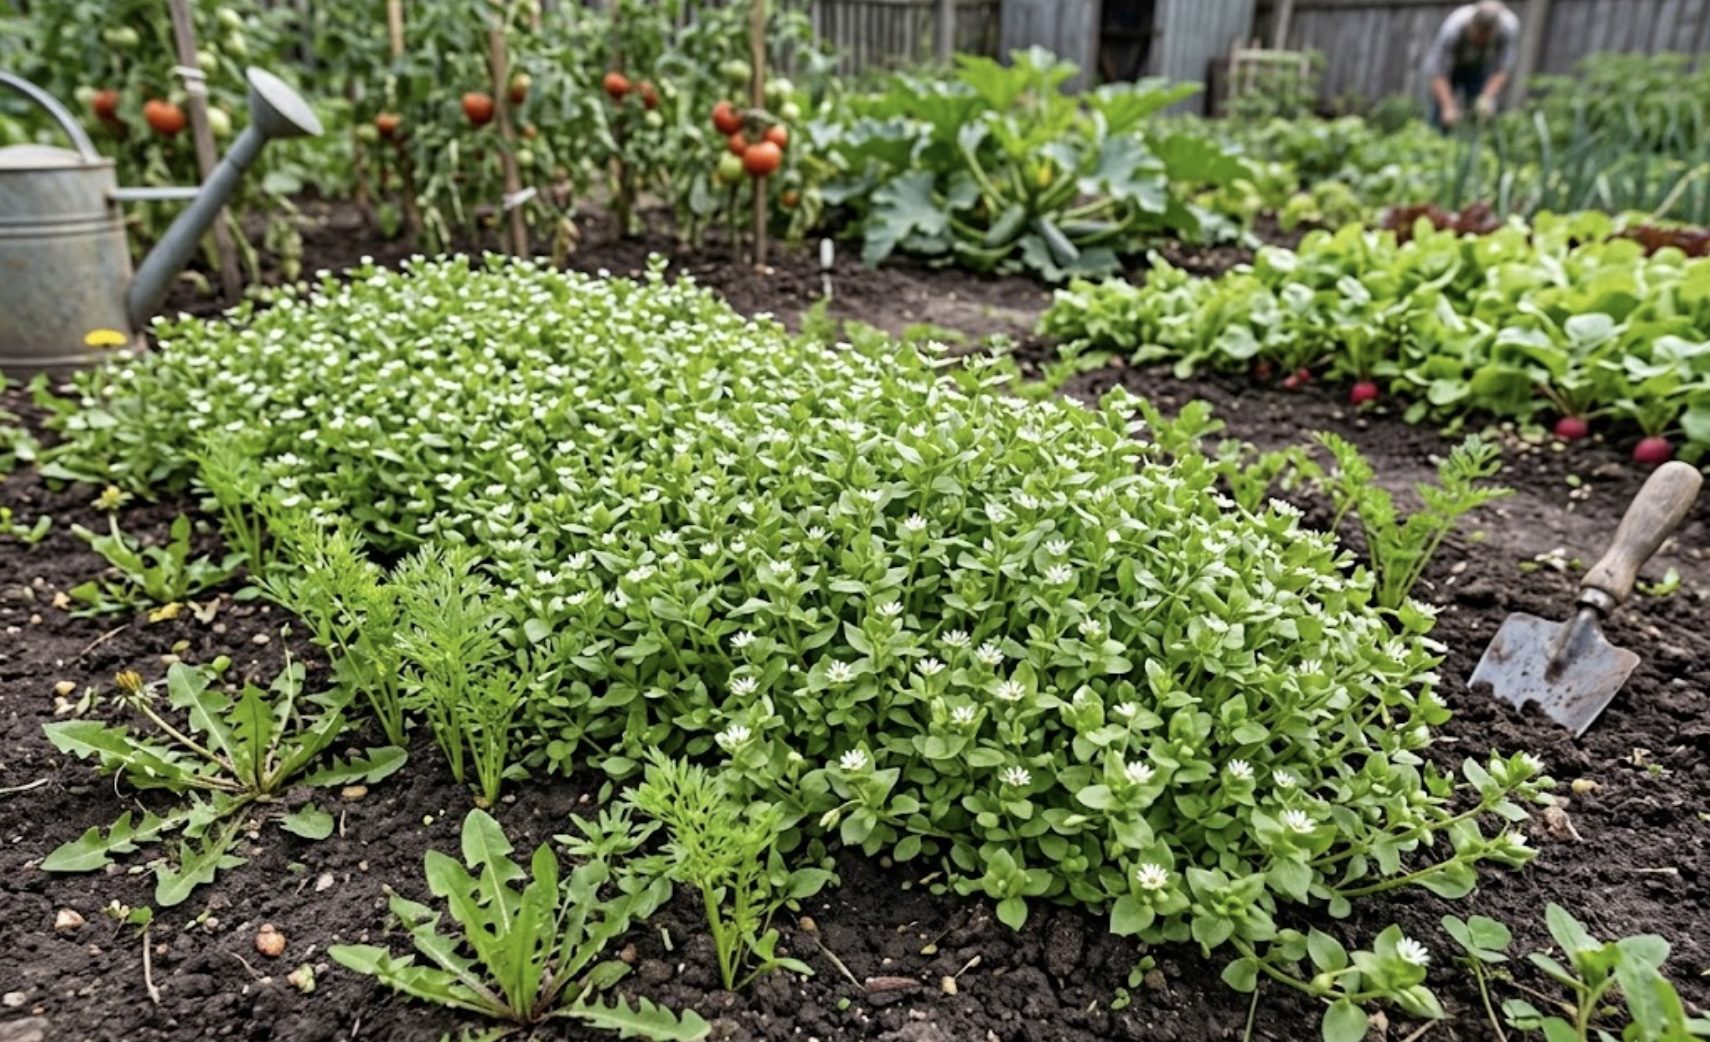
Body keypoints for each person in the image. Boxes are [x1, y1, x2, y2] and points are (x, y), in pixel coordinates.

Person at [1423, 1, 1520, 130]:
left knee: (1480, 116)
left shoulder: (1508, 27)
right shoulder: (1454, 27)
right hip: (1451, 67)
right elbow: (1437, 71)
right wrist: (1448, 107)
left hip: (1481, 67)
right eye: (1478, 36)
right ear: (1472, 25)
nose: (1481, 41)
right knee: (1440, 117)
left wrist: (1486, 98)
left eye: (1486, 38)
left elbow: (1502, 68)